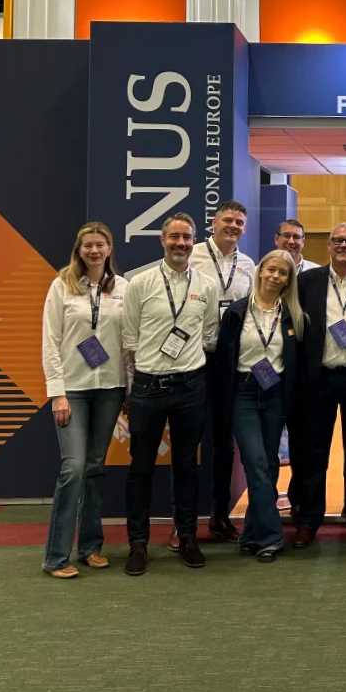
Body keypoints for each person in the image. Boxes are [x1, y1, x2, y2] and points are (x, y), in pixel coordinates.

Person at [121, 212, 219, 575]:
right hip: (148, 386)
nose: (181, 243)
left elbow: (210, 336)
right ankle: (138, 543)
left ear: (194, 242)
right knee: (140, 468)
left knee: (186, 468)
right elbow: (129, 339)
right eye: (174, 237)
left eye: (187, 237)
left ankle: (188, 537)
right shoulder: (140, 283)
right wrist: (136, 384)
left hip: (190, 387)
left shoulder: (206, 285)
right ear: (162, 240)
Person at [41, 222, 128, 578]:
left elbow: (128, 342)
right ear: (79, 250)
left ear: (109, 249)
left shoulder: (122, 287)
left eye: (100, 245)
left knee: (94, 467)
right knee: (73, 467)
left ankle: (90, 547)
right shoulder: (61, 285)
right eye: (88, 245)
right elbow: (50, 340)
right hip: (73, 389)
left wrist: (130, 389)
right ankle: (56, 556)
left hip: (110, 387)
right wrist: (57, 393)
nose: (94, 251)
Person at [292, 223, 346, 549]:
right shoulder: (307, 281)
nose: (344, 245)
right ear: (328, 246)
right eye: (338, 240)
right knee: (313, 453)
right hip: (318, 379)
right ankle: (309, 519)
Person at [212, 250, 303, 562]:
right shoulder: (237, 313)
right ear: (261, 271)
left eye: (283, 273)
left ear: (288, 280)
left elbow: (294, 363)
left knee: (270, 465)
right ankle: (271, 537)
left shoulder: (293, 315)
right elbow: (223, 360)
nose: (276, 277)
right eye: (272, 270)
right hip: (244, 393)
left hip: (275, 393)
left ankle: (251, 533)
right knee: (257, 465)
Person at [186, 199, 255, 547]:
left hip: (230, 362)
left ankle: (219, 516)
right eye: (227, 219)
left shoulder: (248, 265)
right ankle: (181, 523)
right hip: (194, 358)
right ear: (213, 222)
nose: (233, 225)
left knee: (225, 445)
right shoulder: (193, 255)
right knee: (189, 442)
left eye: (239, 222)